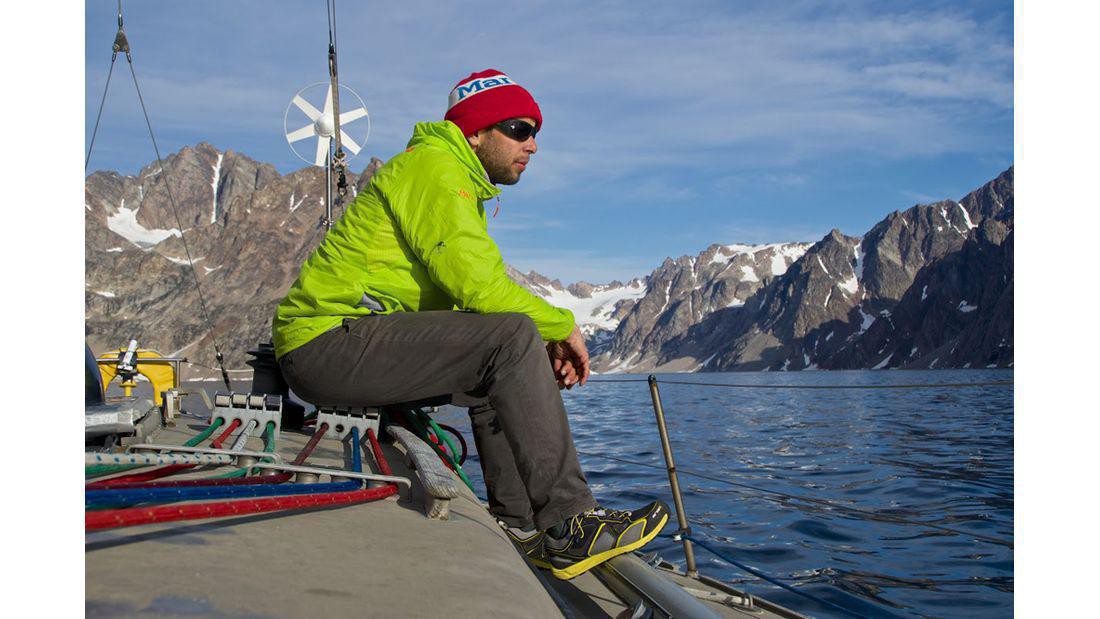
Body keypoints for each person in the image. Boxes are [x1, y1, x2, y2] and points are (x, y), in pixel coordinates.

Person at [272, 69, 668, 579]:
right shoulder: (436, 169)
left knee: (501, 357)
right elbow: (479, 289)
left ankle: (522, 525)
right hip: (326, 342)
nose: (534, 145)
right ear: (475, 131)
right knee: (510, 335)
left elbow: (475, 312)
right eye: (520, 129)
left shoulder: (451, 178)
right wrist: (562, 327)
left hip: (347, 344)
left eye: (536, 132)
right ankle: (571, 522)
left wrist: (527, 354)